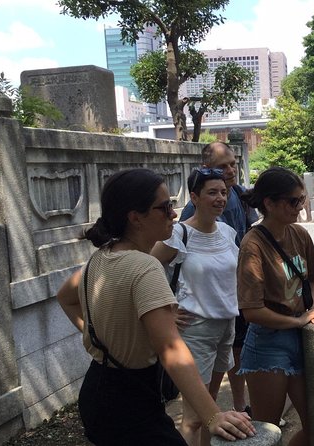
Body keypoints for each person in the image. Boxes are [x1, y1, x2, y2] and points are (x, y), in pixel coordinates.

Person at [56, 168, 256, 445]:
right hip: (131, 401)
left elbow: (65, 296)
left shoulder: (100, 258)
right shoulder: (144, 265)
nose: (174, 214)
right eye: (164, 208)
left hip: (97, 390)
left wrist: (102, 340)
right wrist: (213, 416)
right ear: (136, 218)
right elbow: (171, 349)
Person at [237, 167, 314, 446]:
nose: (299, 207)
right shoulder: (253, 244)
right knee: (267, 432)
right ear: (269, 203)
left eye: (302, 199)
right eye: (293, 201)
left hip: (300, 338)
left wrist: (311, 313)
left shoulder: (299, 234)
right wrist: (298, 321)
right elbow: (251, 311)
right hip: (268, 342)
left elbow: (312, 278)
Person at [151, 168, 239, 446]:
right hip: (195, 330)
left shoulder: (227, 231)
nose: (220, 198)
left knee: (210, 409)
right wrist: (167, 310)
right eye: (212, 192)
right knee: (192, 418)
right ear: (195, 197)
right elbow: (149, 270)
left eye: (223, 192)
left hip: (227, 326)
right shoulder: (179, 234)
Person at [180, 142, 258, 416]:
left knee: (236, 352)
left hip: (229, 303)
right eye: (222, 166)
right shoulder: (189, 220)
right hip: (200, 315)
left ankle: (239, 404)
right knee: (197, 410)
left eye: (233, 163)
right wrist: (167, 306)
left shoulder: (237, 194)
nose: (230, 170)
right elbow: (160, 265)